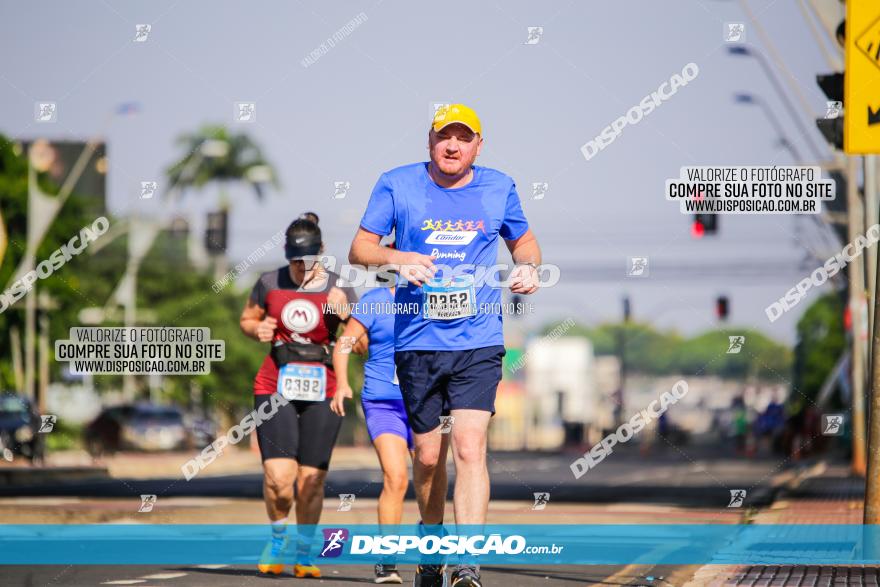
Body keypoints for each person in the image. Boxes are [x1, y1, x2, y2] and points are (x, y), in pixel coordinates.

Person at [348, 104, 541, 587]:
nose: (452, 146)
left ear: (479, 144)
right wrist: (397, 258)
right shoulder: (397, 184)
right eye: (443, 137)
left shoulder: (499, 187)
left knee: (471, 448)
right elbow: (360, 249)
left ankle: (467, 566)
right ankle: (431, 544)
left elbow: (525, 241)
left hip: (478, 340)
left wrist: (529, 267)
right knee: (429, 458)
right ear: (429, 142)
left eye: (463, 137)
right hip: (416, 340)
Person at [239, 216, 357, 578]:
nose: (300, 269)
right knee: (278, 477)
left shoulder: (339, 288)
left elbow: (361, 340)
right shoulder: (269, 283)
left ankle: (304, 553)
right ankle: (277, 537)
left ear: (321, 253)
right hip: (275, 383)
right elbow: (247, 319)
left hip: (324, 386)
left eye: (307, 262)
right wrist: (255, 328)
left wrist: (345, 313)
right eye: (294, 262)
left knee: (311, 480)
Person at [331, 241, 444, 584]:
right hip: (384, 403)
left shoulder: (435, 302)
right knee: (395, 478)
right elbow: (345, 343)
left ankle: (431, 558)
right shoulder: (375, 302)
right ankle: (387, 561)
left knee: (429, 478)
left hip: (425, 403)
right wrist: (341, 383)